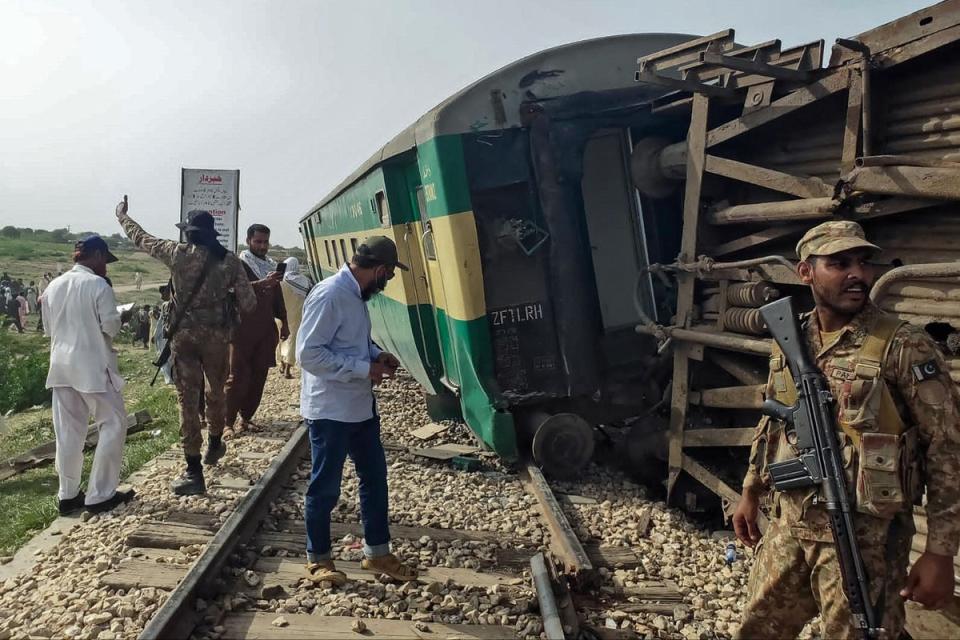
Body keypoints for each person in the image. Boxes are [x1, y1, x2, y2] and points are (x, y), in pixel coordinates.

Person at [732, 221, 960, 639]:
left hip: (864, 542)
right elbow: (774, 418)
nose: (857, 273)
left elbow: (948, 448)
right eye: (839, 263)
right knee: (755, 632)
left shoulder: (903, 344)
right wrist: (751, 489)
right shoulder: (792, 336)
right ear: (806, 272)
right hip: (790, 527)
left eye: (863, 261)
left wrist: (941, 552)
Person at [297, 236, 417, 585]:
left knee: (374, 480)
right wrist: (364, 369)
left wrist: (376, 354)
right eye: (389, 276)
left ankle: (377, 554)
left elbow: (353, 342)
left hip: (359, 407)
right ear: (379, 270)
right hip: (330, 409)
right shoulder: (330, 295)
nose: (387, 283)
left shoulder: (355, 295)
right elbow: (308, 355)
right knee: (326, 487)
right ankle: (318, 559)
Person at [116, 198, 256, 495]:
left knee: (187, 400)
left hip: (184, 338)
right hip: (217, 339)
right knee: (215, 391)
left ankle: (193, 470)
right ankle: (216, 441)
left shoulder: (175, 253)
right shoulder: (230, 261)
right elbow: (249, 303)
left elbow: (140, 237)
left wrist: (122, 215)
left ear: (188, 233)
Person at [42, 236, 135, 514]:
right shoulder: (98, 285)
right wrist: (121, 317)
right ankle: (100, 495)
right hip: (93, 366)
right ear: (95, 255)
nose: (106, 267)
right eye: (105, 261)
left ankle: (68, 495)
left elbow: (48, 329)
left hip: (60, 367)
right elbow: (111, 327)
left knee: (68, 433)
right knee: (114, 423)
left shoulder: (53, 286)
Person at [225, 224, 289, 433]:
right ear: (248, 241)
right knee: (237, 377)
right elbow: (230, 291)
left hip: (265, 330)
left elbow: (276, 296)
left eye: (265, 242)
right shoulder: (238, 264)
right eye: (258, 241)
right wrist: (262, 283)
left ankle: (246, 418)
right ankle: (227, 423)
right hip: (241, 330)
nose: (262, 246)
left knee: (259, 375)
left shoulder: (270, 265)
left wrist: (285, 323)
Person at [277, 257, 312, 379]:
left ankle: (281, 364)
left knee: (282, 338)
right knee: (293, 338)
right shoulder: (303, 280)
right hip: (297, 313)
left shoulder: (280, 279)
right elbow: (311, 292)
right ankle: (287, 368)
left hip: (281, 313)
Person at [154, 285, 173, 385]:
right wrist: (155, 335)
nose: (162, 296)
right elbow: (160, 322)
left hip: (173, 336)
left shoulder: (174, 303)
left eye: (163, 293)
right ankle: (169, 379)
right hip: (165, 336)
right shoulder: (165, 305)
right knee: (166, 358)